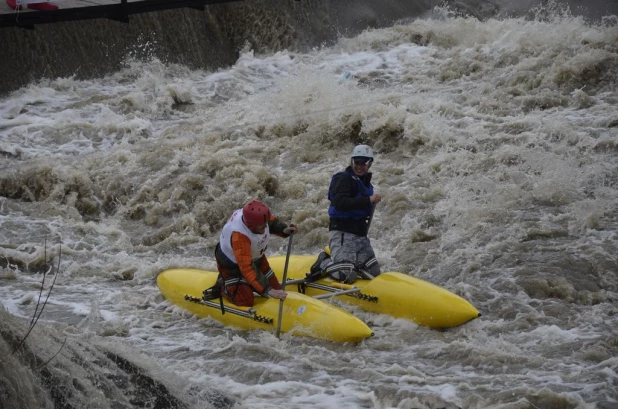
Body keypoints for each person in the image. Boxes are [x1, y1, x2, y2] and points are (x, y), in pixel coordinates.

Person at [309, 144, 382, 283]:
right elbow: (339, 202)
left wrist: (369, 200)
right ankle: (324, 262)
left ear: (370, 163)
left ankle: (349, 264)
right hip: (343, 233)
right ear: (352, 161)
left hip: (360, 236)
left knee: (374, 273)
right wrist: (368, 200)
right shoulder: (343, 178)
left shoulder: (366, 184)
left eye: (363, 163)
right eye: (356, 162)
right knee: (346, 275)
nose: (359, 166)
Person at [215, 200, 297, 307]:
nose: (265, 227)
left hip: (256, 258)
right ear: (250, 226)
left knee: (278, 290)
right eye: (261, 226)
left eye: (265, 223)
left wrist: (284, 230)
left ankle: (251, 284)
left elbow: (272, 222)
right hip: (232, 267)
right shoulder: (239, 237)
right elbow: (246, 267)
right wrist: (268, 290)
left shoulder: (260, 219)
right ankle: (223, 285)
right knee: (246, 301)